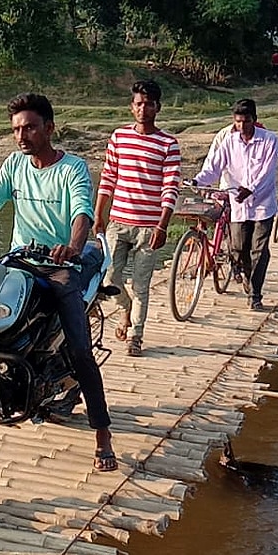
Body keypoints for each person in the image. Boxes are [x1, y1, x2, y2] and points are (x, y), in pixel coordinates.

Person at [0, 92, 118, 472]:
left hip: (59, 265)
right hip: (17, 261)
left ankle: (102, 434)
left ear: (49, 128)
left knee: (80, 351)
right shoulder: (15, 164)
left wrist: (73, 247)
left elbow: (82, 212)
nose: (21, 136)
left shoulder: (72, 168)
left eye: (29, 127)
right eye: (16, 129)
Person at [95, 79, 182, 357]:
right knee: (109, 278)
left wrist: (162, 225)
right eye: (138, 104)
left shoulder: (168, 143)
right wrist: (98, 214)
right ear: (131, 107)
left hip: (149, 227)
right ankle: (126, 308)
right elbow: (108, 177)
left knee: (141, 285)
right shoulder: (119, 137)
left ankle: (136, 335)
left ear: (158, 108)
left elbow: (170, 187)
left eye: (148, 104)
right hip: (118, 222)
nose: (143, 109)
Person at [193, 99, 278, 312]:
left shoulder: (269, 140)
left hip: (262, 204)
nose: (242, 126)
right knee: (239, 248)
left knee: (259, 249)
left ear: (254, 120)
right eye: (238, 121)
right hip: (238, 204)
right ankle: (248, 279)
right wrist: (198, 180)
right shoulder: (229, 141)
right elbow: (214, 167)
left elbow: (267, 173)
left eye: (246, 121)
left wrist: (251, 189)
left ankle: (255, 294)